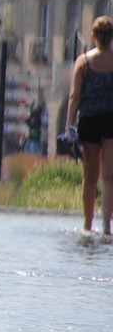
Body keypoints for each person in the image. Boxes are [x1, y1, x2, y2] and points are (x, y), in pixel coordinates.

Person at [63, 16, 113, 235]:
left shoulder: (83, 62)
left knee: (90, 176)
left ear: (93, 37)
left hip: (89, 121)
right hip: (111, 120)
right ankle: (107, 227)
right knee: (109, 177)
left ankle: (87, 225)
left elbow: (74, 97)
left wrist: (69, 126)